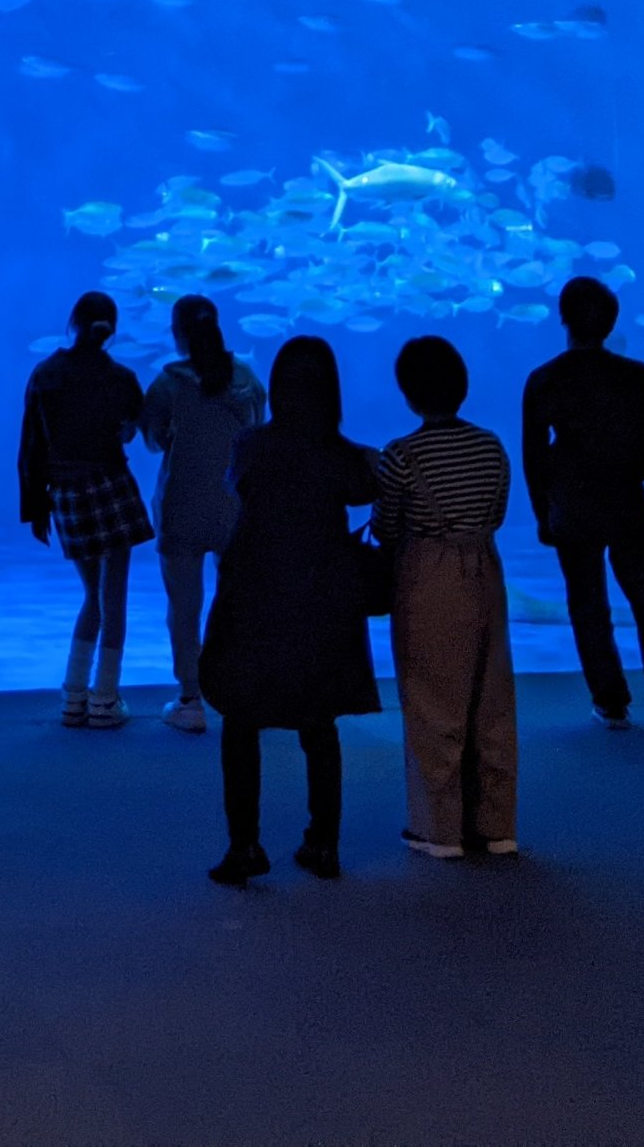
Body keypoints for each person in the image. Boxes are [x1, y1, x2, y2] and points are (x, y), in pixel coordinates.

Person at [197, 338, 381, 884]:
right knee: (318, 723)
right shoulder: (344, 456)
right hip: (321, 599)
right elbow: (369, 484)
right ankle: (323, 844)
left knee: (240, 720)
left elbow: (238, 484)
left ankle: (244, 846)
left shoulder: (251, 445)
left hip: (255, 597)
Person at [520, 279, 644, 734]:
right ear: (612, 324)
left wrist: (543, 512)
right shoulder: (636, 375)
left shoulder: (545, 379)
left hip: (571, 504)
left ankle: (610, 704)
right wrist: (626, 472)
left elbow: (533, 456)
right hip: (626, 500)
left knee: (587, 605)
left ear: (563, 318)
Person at [377, 335, 517, 859]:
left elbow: (386, 527)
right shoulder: (491, 445)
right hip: (485, 566)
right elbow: (498, 512)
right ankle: (496, 826)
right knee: (491, 699)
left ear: (408, 393)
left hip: (428, 574)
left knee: (433, 698)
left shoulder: (402, 454)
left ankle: (440, 830)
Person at [18, 291, 151, 727]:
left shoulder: (45, 374)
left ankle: (73, 697)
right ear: (112, 330)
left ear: (73, 321)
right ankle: (105, 698)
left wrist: (36, 507)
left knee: (92, 595)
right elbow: (131, 431)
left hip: (68, 493)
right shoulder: (122, 378)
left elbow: (31, 446)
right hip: (111, 486)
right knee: (114, 598)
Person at [142, 295, 264, 735]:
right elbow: (257, 432)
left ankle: (191, 699)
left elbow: (153, 441)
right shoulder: (247, 379)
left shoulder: (166, 385)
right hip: (233, 506)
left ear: (178, 334)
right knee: (236, 601)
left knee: (184, 606)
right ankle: (240, 689)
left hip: (181, 507)